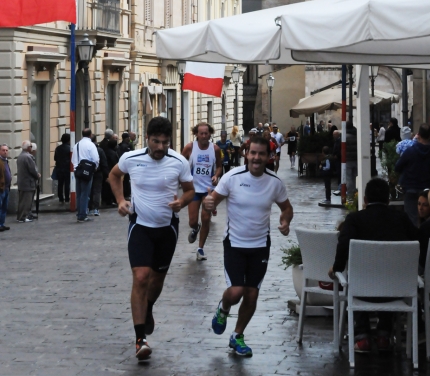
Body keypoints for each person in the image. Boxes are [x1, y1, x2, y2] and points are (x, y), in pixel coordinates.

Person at [108, 116, 194, 361]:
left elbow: (190, 191)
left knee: (155, 282)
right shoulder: (131, 158)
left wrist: (181, 202)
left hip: (167, 229)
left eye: (164, 143)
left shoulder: (178, 161)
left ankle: (148, 308)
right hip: (140, 226)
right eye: (155, 142)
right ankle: (140, 340)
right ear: (147, 138)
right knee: (141, 276)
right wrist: (120, 200)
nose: (159, 147)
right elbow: (114, 176)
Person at [205, 135, 293, 357]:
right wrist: (209, 203)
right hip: (234, 243)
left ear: (269, 156)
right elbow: (213, 199)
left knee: (251, 295)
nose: (256, 157)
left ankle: (237, 336)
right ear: (246, 154)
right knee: (236, 292)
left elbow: (286, 207)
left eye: (261, 154)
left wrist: (285, 221)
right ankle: (223, 309)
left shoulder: (275, 182)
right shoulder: (232, 177)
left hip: (260, 246)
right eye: (252, 153)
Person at [329, 178, 418, 353]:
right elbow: (417, 243)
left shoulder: (355, 219)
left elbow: (343, 245)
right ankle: (384, 334)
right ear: (388, 200)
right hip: (396, 290)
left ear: (365, 200)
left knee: (360, 274)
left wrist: (336, 268)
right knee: (387, 272)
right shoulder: (401, 219)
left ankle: (362, 337)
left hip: (362, 290)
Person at [182, 123, 222, 261]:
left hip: (208, 190)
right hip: (193, 190)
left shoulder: (215, 149)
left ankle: (200, 249)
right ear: (196, 134)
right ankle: (195, 227)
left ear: (210, 134)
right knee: (192, 221)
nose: (204, 136)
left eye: (206, 133)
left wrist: (216, 175)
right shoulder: (190, 147)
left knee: (206, 218)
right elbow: (180, 164)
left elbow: (219, 166)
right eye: (201, 133)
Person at [395, 123, 430, 226]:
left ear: (418, 135)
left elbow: (397, 167)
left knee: (411, 219)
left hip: (410, 188)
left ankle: (414, 239)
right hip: (426, 190)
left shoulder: (410, 151)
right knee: (427, 219)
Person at [71, 128, 99, 222]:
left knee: (79, 193)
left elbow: (73, 159)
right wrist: (95, 167)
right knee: (85, 193)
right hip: (87, 171)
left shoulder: (77, 145)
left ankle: (80, 213)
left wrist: (75, 167)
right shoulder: (91, 145)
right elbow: (95, 158)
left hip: (77, 170)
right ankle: (83, 214)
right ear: (90, 135)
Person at [16, 141, 40, 223]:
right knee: (26, 201)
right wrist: (37, 175)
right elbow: (32, 170)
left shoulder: (21, 156)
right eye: (30, 146)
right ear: (28, 148)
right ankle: (23, 217)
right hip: (28, 182)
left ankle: (21, 216)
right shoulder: (27, 157)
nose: (31, 147)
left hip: (23, 182)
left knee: (23, 200)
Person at [88, 135, 109, 216]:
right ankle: (96, 208)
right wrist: (107, 174)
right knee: (97, 190)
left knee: (89, 190)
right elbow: (104, 163)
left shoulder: (87, 150)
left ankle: (89, 208)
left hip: (88, 171)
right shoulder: (99, 150)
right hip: (98, 172)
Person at [54, 133, 71, 204]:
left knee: (60, 183)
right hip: (67, 168)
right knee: (67, 183)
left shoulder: (58, 148)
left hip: (59, 168)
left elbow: (55, 158)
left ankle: (60, 197)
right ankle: (67, 197)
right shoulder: (70, 148)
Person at [102, 136, 119, 206]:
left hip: (105, 171)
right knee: (111, 187)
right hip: (111, 171)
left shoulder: (105, 151)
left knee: (106, 187)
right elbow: (115, 163)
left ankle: (106, 200)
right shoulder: (113, 153)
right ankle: (110, 201)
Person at [0, 144, 11, 232]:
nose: (5, 152)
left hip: (7, 188)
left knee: (4, 207)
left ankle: (2, 224)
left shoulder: (6, 161)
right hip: (1, 188)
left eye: (6, 150)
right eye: (3, 150)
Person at [346, 121, 358, 198]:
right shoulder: (357, 135)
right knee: (354, 176)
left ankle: (350, 193)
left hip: (348, 159)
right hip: (356, 159)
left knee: (349, 177)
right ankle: (355, 191)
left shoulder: (345, 137)